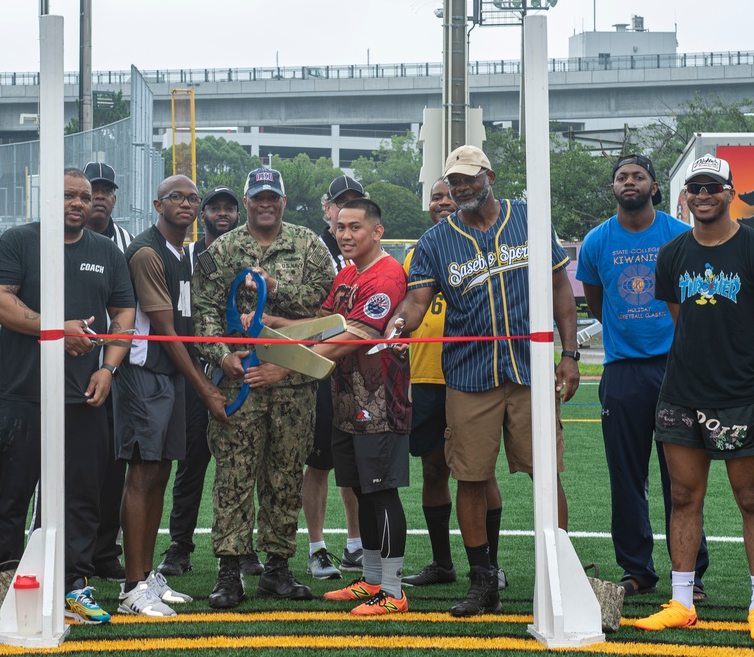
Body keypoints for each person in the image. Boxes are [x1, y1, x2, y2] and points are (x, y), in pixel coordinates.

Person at [390, 145, 580, 617]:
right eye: (454, 182)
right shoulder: (436, 240)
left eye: (469, 179)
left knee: (545, 474)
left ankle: (556, 574)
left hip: (530, 369)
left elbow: (560, 288)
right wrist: (401, 323)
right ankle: (482, 583)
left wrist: (570, 354)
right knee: (470, 478)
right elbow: (417, 301)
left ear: (489, 176)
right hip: (471, 374)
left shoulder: (530, 218)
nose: (461, 188)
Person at [0, 167, 135, 625]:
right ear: (47, 199)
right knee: (12, 494)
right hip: (23, 395)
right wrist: (54, 330)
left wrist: (109, 367)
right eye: (68, 195)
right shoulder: (18, 241)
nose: (78, 203)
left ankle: (75, 586)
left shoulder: (106, 251)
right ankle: (12, 584)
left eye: (84, 197)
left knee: (83, 495)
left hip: (84, 397)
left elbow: (124, 310)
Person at [245, 197, 410, 615]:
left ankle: (392, 592)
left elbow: (348, 338)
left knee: (382, 492)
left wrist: (283, 366)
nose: (346, 235)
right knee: (361, 491)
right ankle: (371, 581)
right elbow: (324, 322)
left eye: (355, 227)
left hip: (380, 404)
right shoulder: (348, 274)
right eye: (340, 227)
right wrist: (278, 326)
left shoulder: (388, 275)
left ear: (377, 232)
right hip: (345, 402)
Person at [192, 167, 334, 609]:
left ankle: (277, 568)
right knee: (234, 475)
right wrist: (222, 356)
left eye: (273, 196)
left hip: (292, 384)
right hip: (241, 382)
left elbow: (322, 302)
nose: (265, 203)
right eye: (258, 197)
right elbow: (205, 311)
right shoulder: (224, 248)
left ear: (284, 202)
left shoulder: (309, 244)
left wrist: (274, 287)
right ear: (248, 202)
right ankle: (230, 572)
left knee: (286, 474)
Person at [576, 154, 709, 601]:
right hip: (622, 372)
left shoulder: (679, 234)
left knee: (683, 479)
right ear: (613, 188)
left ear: (654, 186)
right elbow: (596, 304)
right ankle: (638, 570)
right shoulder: (596, 241)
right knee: (626, 476)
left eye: (637, 176)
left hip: (678, 369)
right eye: (621, 177)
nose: (628, 182)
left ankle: (691, 573)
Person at [635, 154, 754, 637]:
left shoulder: (750, 246)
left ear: (729, 192)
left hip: (743, 392)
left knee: (750, 499)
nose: (703, 196)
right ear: (684, 196)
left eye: (712, 187)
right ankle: (682, 601)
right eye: (695, 189)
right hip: (682, 393)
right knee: (683, 496)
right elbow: (681, 318)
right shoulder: (673, 253)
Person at [114, 175, 230, 617]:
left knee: (159, 474)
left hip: (171, 377)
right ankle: (131, 587)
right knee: (143, 476)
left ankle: (145, 576)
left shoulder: (184, 252)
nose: (185, 203)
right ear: (157, 203)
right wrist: (206, 387)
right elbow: (164, 331)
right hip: (147, 373)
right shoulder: (147, 252)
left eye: (191, 198)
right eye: (176, 197)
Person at [400, 178, 506, 591]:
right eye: (435, 197)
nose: (442, 203)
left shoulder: (483, 248)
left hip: (474, 374)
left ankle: (490, 567)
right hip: (426, 375)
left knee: (479, 474)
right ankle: (443, 563)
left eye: (449, 195)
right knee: (433, 470)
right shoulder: (418, 253)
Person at [158, 185, 264, 578]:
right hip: (195, 372)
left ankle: (245, 548)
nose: (222, 213)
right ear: (202, 214)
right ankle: (179, 545)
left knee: (242, 465)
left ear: (239, 215)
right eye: (214, 207)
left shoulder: (247, 258)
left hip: (238, 373)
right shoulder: (184, 257)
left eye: (229, 208)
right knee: (190, 465)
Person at [304, 177, 365, 581]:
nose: (344, 212)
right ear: (327, 210)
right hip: (324, 362)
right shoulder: (312, 249)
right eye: (339, 205)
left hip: (362, 367)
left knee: (357, 458)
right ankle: (316, 547)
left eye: (353, 205)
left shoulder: (369, 252)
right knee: (320, 460)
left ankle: (357, 544)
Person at [82, 161, 133, 582]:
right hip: (68, 366)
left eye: (105, 190)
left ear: (114, 197)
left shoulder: (128, 243)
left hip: (115, 370)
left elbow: (127, 309)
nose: (99, 196)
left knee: (114, 466)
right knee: (67, 465)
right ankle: (59, 546)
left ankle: (104, 550)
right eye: (91, 189)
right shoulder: (58, 239)